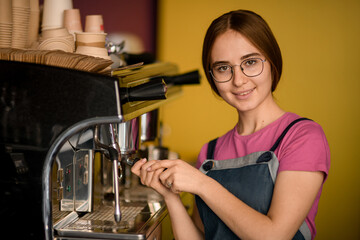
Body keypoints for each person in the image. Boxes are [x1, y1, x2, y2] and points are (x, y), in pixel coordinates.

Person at [132, 9, 330, 240]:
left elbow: (274, 236)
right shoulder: (211, 151)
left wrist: (202, 184)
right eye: (223, 68)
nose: (238, 80)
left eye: (251, 62)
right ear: (212, 76)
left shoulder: (302, 136)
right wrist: (170, 197)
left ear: (273, 62)